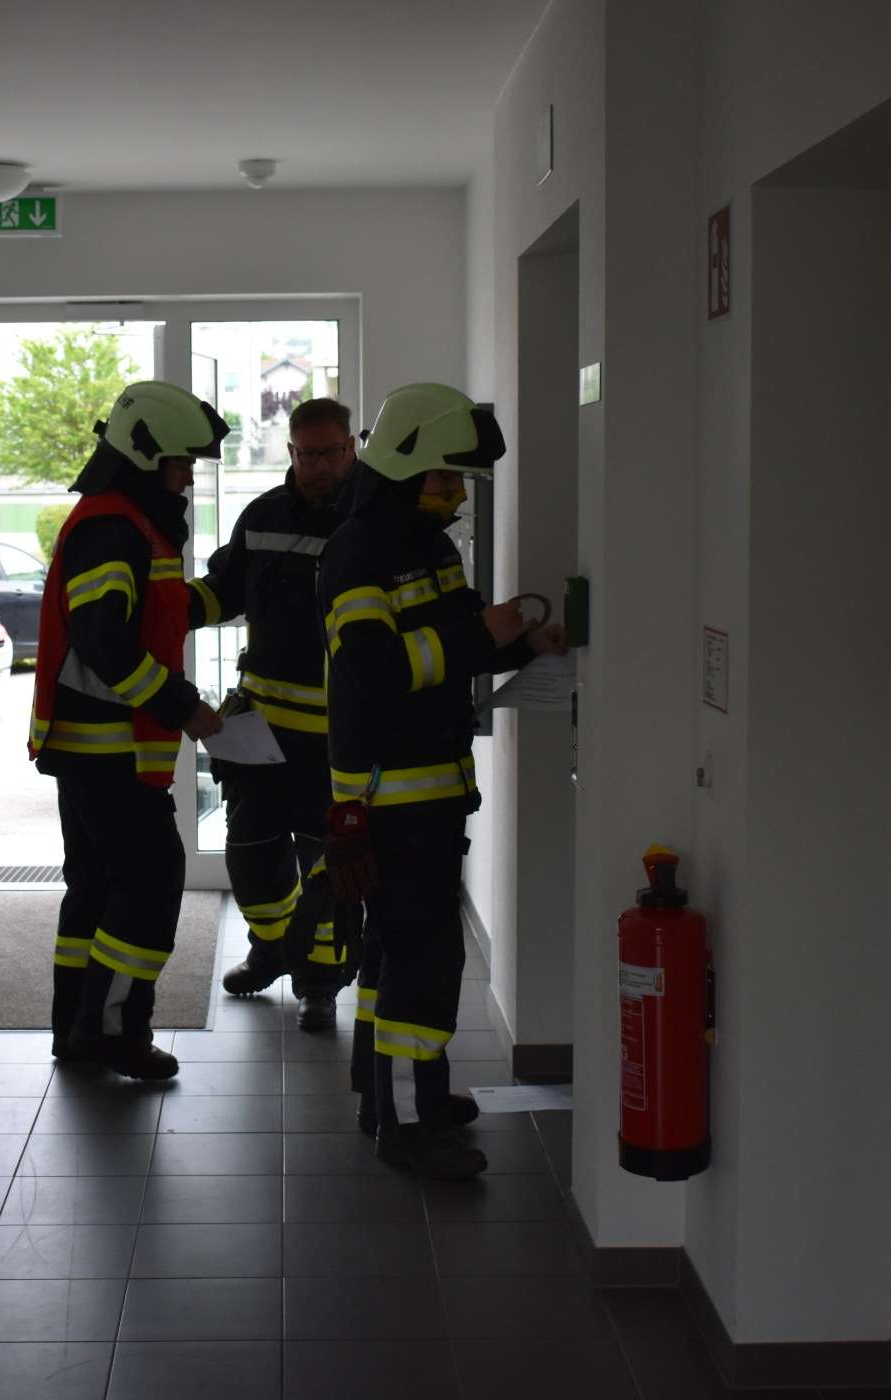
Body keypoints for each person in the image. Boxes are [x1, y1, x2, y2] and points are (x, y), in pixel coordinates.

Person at [320, 383, 565, 1178]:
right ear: (403, 467)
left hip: (428, 789)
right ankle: (409, 1124)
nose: (457, 493)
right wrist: (476, 634)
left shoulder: (429, 548)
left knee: (399, 952)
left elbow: (460, 646)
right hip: (391, 796)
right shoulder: (357, 553)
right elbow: (374, 670)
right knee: (425, 961)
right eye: (445, 477)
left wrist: (522, 642)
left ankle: (390, 1094)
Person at [30, 382, 229, 1080]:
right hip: (107, 753)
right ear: (147, 456)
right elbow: (104, 643)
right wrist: (184, 707)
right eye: (182, 463)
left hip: (94, 753)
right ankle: (113, 1032)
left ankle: (76, 1030)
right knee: (149, 883)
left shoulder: (126, 523)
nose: (188, 477)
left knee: (96, 888)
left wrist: (237, 584)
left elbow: (159, 612)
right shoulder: (113, 528)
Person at [190, 398, 361, 1030]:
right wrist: (171, 607)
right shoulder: (261, 516)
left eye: (332, 452)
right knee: (251, 853)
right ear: (291, 452)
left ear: (351, 447)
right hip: (260, 730)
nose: (320, 466)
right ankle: (269, 952)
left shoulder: (369, 520)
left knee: (327, 865)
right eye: (308, 454)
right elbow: (225, 590)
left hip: (337, 738)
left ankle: (319, 983)